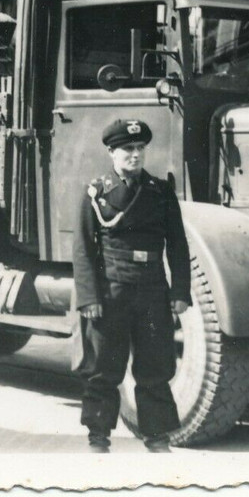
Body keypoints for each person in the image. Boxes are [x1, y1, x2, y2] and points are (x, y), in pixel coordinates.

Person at [72, 119, 192, 454]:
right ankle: (98, 438)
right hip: (111, 292)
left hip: (152, 292)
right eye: (128, 149)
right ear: (112, 152)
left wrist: (180, 292)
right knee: (103, 368)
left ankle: (157, 437)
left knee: (155, 367)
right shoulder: (97, 192)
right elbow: (83, 248)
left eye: (140, 149)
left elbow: (178, 245)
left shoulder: (160, 192)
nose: (135, 155)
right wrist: (89, 297)